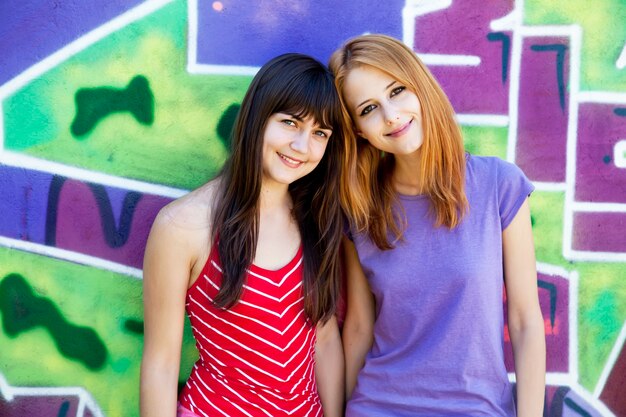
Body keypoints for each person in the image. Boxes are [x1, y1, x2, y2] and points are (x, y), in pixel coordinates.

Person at [329, 34, 546, 416]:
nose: (391, 115)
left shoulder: (499, 185)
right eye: (368, 109)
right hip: (378, 406)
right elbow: (360, 328)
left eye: (397, 91)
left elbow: (526, 320)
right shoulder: (360, 210)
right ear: (359, 131)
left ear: (421, 86)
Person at [140, 53, 347, 417]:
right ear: (256, 117)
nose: (302, 145)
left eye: (319, 133)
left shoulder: (316, 219)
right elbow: (161, 365)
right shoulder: (183, 226)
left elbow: (326, 338)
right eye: (289, 122)